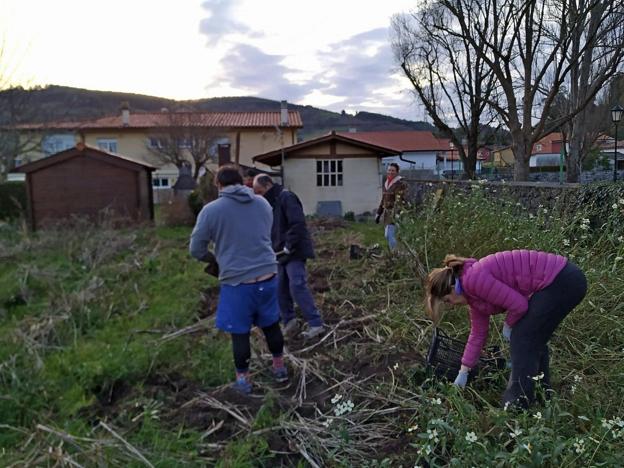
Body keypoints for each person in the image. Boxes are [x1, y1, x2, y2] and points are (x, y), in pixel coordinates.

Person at [425, 250, 587, 408]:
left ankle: (516, 406)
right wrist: (463, 372)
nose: (451, 305)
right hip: (560, 281)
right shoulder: (473, 297)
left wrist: (508, 326)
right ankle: (543, 395)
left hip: (562, 280)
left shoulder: (474, 280)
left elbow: (519, 305)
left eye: (447, 300)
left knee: (522, 337)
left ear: (453, 288)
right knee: (531, 337)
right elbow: (477, 335)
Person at [189, 165, 287, 395]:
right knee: (271, 324)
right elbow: (264, 231)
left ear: (218, 185)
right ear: (242, 181)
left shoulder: (211, 211)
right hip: (269, 274)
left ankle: (243, 380)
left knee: (240, 332)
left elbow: (196, 249)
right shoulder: (263, 203)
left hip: (237, 281)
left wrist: (214, 258)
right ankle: (279, 368)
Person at [253, 174, 325, 339]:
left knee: (297, 285)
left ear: (268, 185)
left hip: (294, 251)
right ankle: (290, 322)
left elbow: (297, 223)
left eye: (259, 191)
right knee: (279, 288)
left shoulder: (287, 197)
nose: (258, 195)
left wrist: (288, 245)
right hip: (279, 252)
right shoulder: (269, 203)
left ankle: (316, 324)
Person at [375, 163, 408, 251]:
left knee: (390, 234)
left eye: (393, 170)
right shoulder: (386, 183)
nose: (390, 172)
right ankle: (397, 251)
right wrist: (378, 213)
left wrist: (396, 214)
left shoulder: (400, 183)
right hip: (387, 213)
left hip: (395, 212)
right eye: (389, 170)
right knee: (387, 235)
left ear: (397, 172)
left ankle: (394, 253)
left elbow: (399, 200)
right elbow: (383, 199)